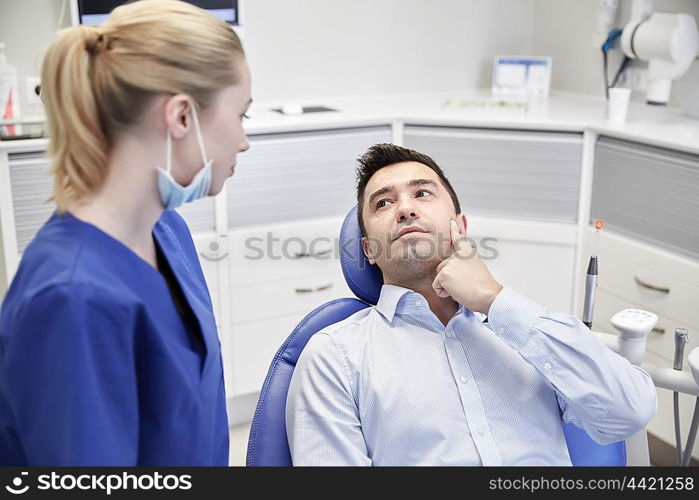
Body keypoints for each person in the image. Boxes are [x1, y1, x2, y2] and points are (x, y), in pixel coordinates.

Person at [285, 143, 657, 466]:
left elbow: (630, 412)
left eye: (423, 194)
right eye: (383, 202)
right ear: (369, 250)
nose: (405, 209)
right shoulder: (334, 355)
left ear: (459, 227)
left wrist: (495, 299)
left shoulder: (526, 330)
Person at [0, 0, 251, 465]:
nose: (243, 140)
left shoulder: (166, 231)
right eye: (241, 115)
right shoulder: (72, 300)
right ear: (181, 117)